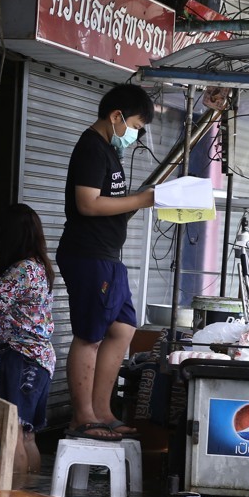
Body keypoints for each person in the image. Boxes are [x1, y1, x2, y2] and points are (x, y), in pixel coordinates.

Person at [55, 83, 156, 442]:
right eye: (135, 126)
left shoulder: (109, 150)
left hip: (108, 256)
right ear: (116, 117)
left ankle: (102, 410)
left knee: (123, 329)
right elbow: (88, 203)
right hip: (87, 253)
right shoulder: (91, 148)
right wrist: (142, 200)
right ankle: (82, 416)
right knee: (90, 335)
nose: (135, 134)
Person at [0, 203, 55, 475]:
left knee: (9, 430)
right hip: (39, 359)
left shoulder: (22, 270)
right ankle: (30, 495)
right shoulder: (39, 266)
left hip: (19, 357)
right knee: (26, 433)